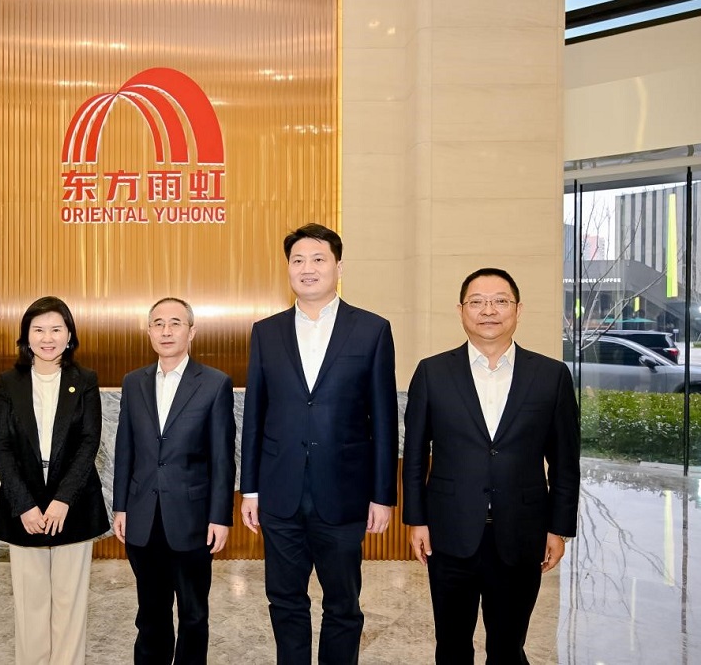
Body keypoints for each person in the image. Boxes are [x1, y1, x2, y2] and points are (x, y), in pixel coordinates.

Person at [402, 267, 580, 664]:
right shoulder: (432, 372)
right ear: (461, 310)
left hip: (522, 532)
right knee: (451, 646)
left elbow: (565, 462)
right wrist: (417, 521)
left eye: (500, 301)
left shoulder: (551, 375)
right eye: (477, 302)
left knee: (508, 647)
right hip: (449, 533)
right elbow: (414, 455)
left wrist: (559, 528)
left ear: (518, 309)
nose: (489, 311)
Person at [240, 223, 399, 664]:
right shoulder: (266, 332)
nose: (307, 268)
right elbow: (255, 416)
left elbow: (384, 420)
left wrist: (383, 495)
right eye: (297, 260)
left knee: (343, 605)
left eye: (318, 259)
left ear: (338, 267)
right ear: (288, 268)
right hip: (280, 492)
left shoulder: (371, 329)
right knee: (284, 600)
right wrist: (250, 489)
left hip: (344, 493)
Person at [112, 297, 236, 665]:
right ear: (149, 331)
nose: (166, 331)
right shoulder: (133, 382)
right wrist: (120, 506)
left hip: (193, 518)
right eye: (158, 323)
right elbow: (125, 449)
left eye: (175, 323)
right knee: (151, 614)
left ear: (191, 331)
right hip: (143, 516)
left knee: (193, 615)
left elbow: (222, 458)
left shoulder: (214, 383)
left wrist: (220, 516)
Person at [0, 296, 109, 664]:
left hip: (72, 500)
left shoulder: (85, 380)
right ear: (26, 336)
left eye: (56, 329)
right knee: (31, 602)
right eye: (38, 329)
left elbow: (89, 442)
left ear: (69, 335)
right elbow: (2, 446)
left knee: (71, 600)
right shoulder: (9, 382)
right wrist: (23, 503)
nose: (47, 338)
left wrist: (63, 499)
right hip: (23, 502)